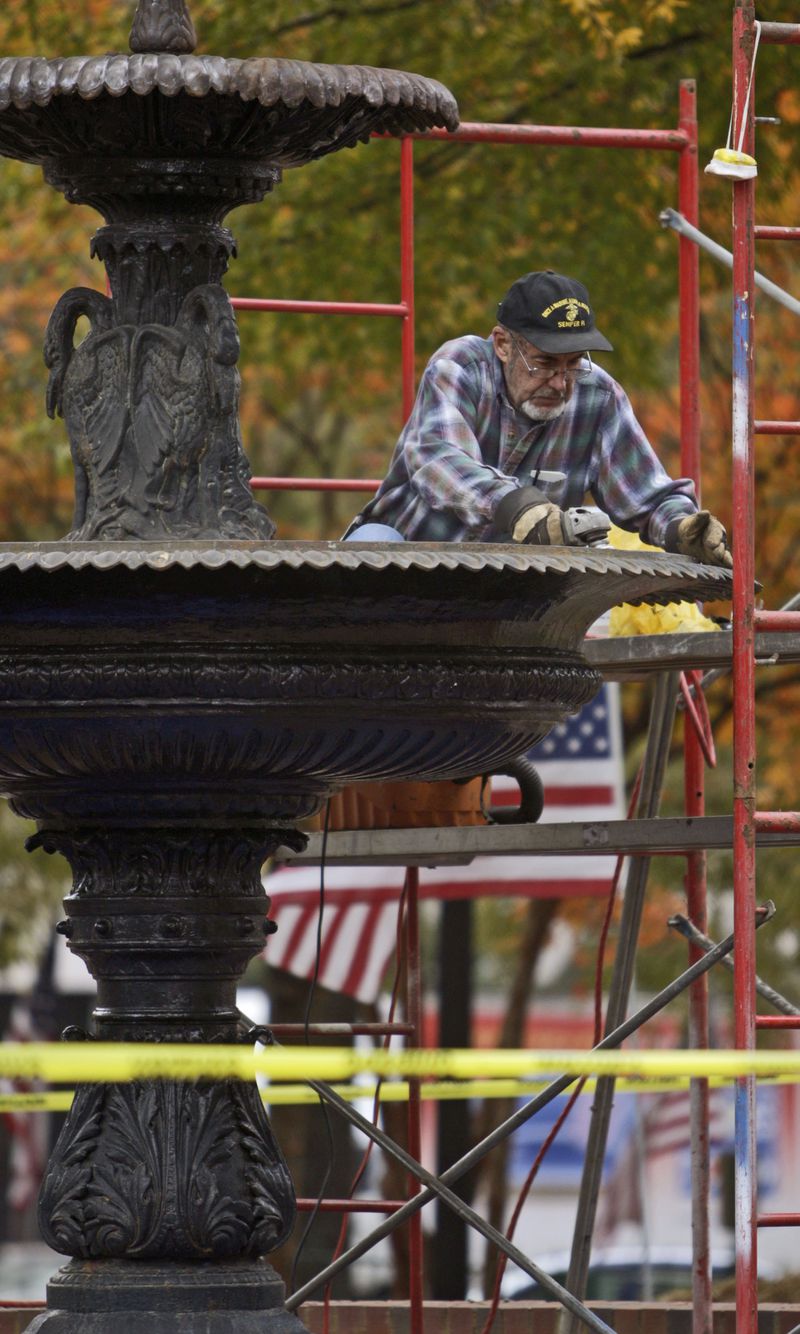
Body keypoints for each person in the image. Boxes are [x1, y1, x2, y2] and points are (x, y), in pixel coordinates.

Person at [344, 270, 732, 567]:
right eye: (545, 362)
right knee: (369, 546)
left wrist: (683, 530)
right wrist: (518, 505)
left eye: (573, 364)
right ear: (502, 345)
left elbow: (645, 497)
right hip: (413, 562)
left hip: (514, 585)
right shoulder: (460, 366)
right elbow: (437, 459)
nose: (560, 382)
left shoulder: (597, 395)